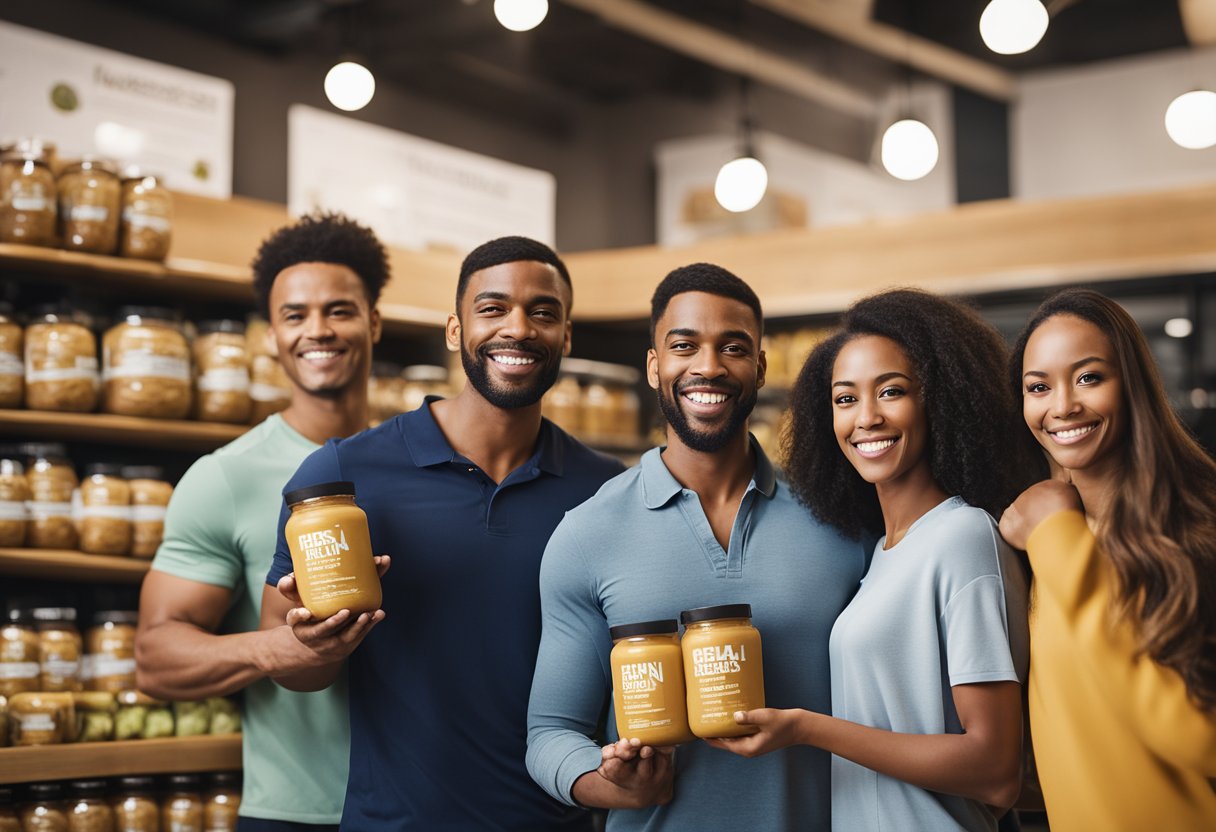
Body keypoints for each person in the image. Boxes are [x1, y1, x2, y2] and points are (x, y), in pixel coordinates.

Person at [262, 236, 625, 831]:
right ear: (455, 331)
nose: (519, 328)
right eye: (493, 308)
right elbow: (290, 666)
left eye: (543, 312)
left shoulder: (608, 491)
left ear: (566, 335)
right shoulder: (341, 475)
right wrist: (316, 646)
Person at [526, 263, 870, 830]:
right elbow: (549, 735)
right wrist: (606, 780)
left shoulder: (842, 520)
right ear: (655, 365)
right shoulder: (587, 534)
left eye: (732, 347)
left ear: (760, 367)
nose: (708, 367)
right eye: (684, 345)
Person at [714, 289, 1032, 832]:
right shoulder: (883, 553)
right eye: (844, 399)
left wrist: (807, 730)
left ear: (941, 400)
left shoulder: (962, 537)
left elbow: (996, 770)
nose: (866, 418)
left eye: (892, 391)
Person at [136, 212, 389, 831]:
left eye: (340, 310)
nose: (318, 331)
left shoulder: (425, 464)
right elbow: (155, 657)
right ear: (271, 335)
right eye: (295, 315)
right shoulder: (225, 477)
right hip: (293, 815)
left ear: (374, 322)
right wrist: (280, 648)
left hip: (430, 808)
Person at [999, 288, 1216, 831]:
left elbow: (1197, 735)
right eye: (1038, 387)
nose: (1063, 405)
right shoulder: (1048, 540)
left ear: (1133, 383)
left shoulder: (1194, 523)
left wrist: (1056, 537)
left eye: (1090, 377)